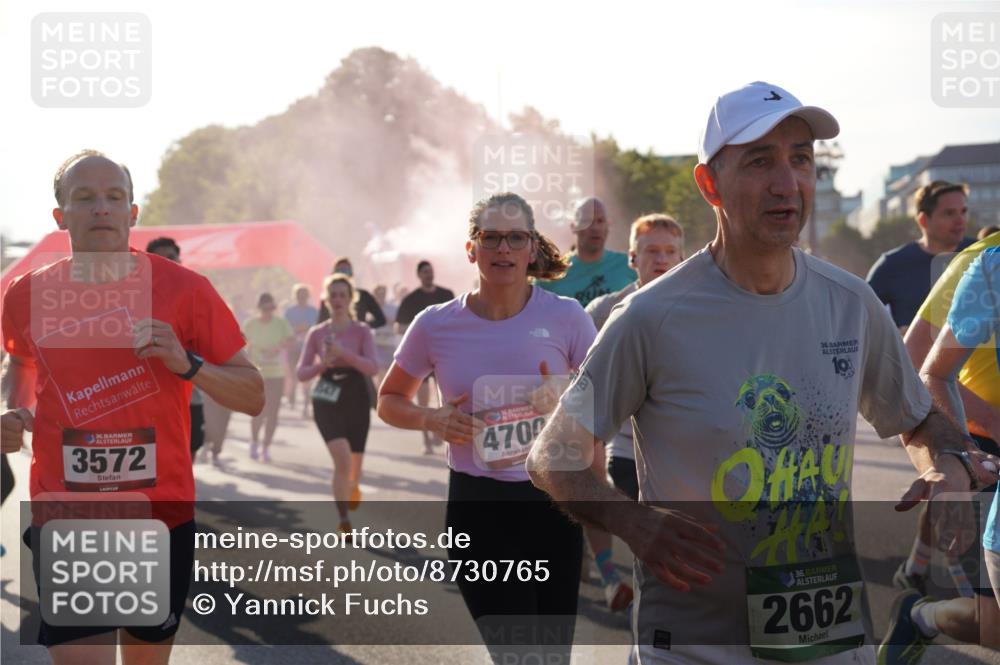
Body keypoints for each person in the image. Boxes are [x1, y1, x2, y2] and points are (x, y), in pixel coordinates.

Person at [525, 81, 1000, 665]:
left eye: (800, 159)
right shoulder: (650, 317)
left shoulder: (851, 304)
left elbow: (921, 418)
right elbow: (551, 457)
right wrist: (637, 525)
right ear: (710, 185)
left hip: (828, 640)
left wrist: (946, 467)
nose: (787, 181)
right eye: (759, 161)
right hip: (694, 646)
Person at [0, 150, 263, 665]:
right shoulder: (26, 294)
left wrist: (187, 363)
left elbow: (252, 394)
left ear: (132, 213)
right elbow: (24, 366)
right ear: (61, 218)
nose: (102, 208)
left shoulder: (185, 290)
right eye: (85, 198)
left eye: (114, 198)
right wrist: (13, 415)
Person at [378, 192, 596, 664]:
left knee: (552, 657)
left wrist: (566, 396)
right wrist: (429, 417)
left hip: (553, 504)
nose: (503, 249)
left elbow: (608, 396)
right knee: (517, 655)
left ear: (532, 249)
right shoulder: (435, 325)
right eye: (491, 238)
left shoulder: (566, 317)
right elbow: (388, 400)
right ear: (471, 249)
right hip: (479, 509)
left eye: (516, 238)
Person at [879, 246, 1000, 660]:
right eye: (949, 213)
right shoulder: (987, 260)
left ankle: (919, 605)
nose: (958, 220)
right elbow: (921, 365)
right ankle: (921, 608)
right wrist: (960, 454)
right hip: (981, 444)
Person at [585, 213, 686, 502]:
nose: (661, 260)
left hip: (685, 454)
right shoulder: (604, 311)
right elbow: (577, 378)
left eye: (670, 252)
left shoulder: (702, 312)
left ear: (682, 258)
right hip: (627, 451)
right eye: (652, 251)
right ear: (632, 257)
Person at [297, 273, 377, 534]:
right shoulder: (317, 333)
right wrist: (324, 363)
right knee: (342, 460)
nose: (338, 299)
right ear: (326, 300)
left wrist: (345, 354)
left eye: (343, 294)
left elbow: (372, 367)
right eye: (333, 295)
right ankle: (343, 518)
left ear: (351, 298)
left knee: (354, 465)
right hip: (326, 396)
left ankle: (353, 486)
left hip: (355, 394)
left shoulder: (362, 331)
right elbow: (301, 373)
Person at [866, 181, 974, 334]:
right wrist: (895, 335)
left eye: (963, 211)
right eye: (949, 213)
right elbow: (861, 319)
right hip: (914, 357)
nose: (960, 220)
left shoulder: (983, 255)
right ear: (923, 220)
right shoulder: (892, 265)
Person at [145, 237, 206, 465]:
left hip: (191, 395)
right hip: (151, 398)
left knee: (189, 452)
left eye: (171, 258)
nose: (167, 263)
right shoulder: (137, 299)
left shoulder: (197, 296)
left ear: (180, 260)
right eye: (159, 259)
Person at [395, 260, 456, 454]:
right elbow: (399, 326)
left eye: (430, 271)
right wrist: (419, 332)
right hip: (421, 356)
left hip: (444, 354)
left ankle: (441, 434)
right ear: (419, 276)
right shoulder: (411, 299)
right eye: (424, 272)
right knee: (422, 400)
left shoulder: (446, 295)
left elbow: (458, 319)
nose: (428, 275)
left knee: (445, 398)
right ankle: (427, 440)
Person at [536, 196, 637, 308]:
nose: (595, 228)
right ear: (574, 227)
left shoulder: (630, 265)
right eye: (587, 221)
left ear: (608, 225)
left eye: (600, 221)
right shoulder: (552, 273)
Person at [243, 292, 294, 462]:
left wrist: (279, 347)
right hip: (257, 375)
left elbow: (291, 340)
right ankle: (254, 441)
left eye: (272, 308)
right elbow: (241, 343)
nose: (269, 312)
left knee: (273, 413)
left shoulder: (281, 323)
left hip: (276, 375)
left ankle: (266, 447)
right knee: (258, 411)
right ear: (259, 308)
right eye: (265, 309)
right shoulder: (250, 324)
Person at [316, 257, 386, 328]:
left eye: (346, 270)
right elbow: (321, 322)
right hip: (335, 335)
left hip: (358, 337)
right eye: (339, 271)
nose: (338, 299)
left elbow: (381, 319)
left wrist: (362, 327)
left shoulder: (363, 295)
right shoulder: (329, 297)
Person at [284, 283, 319, 417]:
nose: (302, 297)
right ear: (295, 296)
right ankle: (291, 395)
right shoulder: (289, 311)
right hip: (293, 348)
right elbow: (284, 328)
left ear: (308, 296)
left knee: (307, 376)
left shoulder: (313, 311)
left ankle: (305, 405)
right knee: (293, 376)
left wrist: (308, 328)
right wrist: (295, 329)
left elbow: (318, 327)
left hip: (308, 348)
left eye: (304, 295)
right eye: (299, 295)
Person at [371, 283, 399, 387]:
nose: (381, 295)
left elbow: (398, 323)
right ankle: (379, 396)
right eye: (378, 293)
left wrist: (387, 320)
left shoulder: (393, 308)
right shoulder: (371, 309)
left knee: (389, 373)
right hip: (376, 345)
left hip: (390, 344)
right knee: (380, 373)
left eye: (383, 293)